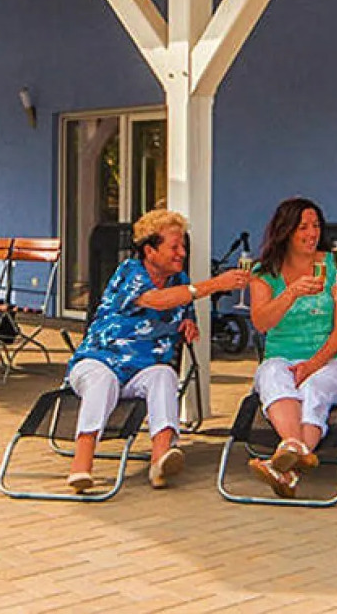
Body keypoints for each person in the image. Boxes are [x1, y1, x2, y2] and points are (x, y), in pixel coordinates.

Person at [64, 209, 248, 494]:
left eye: (183, 246)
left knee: (164, 375)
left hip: (143, 370)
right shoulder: (130, 271)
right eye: (174, 247)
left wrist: (188, 322)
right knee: (103, 381)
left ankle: (161, 458)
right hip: (99, 362)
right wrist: (214, 284)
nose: (181, 253)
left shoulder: (179, 280)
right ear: (150, 250)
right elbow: (157, 302)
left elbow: (182, 307)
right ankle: (81, 464)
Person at [244, 198, 337, 498]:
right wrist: (292, 292)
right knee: (271, 375)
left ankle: (286, 456)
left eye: (316, 226)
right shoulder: (264, 272)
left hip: (333, 361)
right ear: (286, 232)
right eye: (303, 227)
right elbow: (261, 322)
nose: (312, 233)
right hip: (281, 357)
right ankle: (294, 454)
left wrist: (312, 365)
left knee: (313, 388)